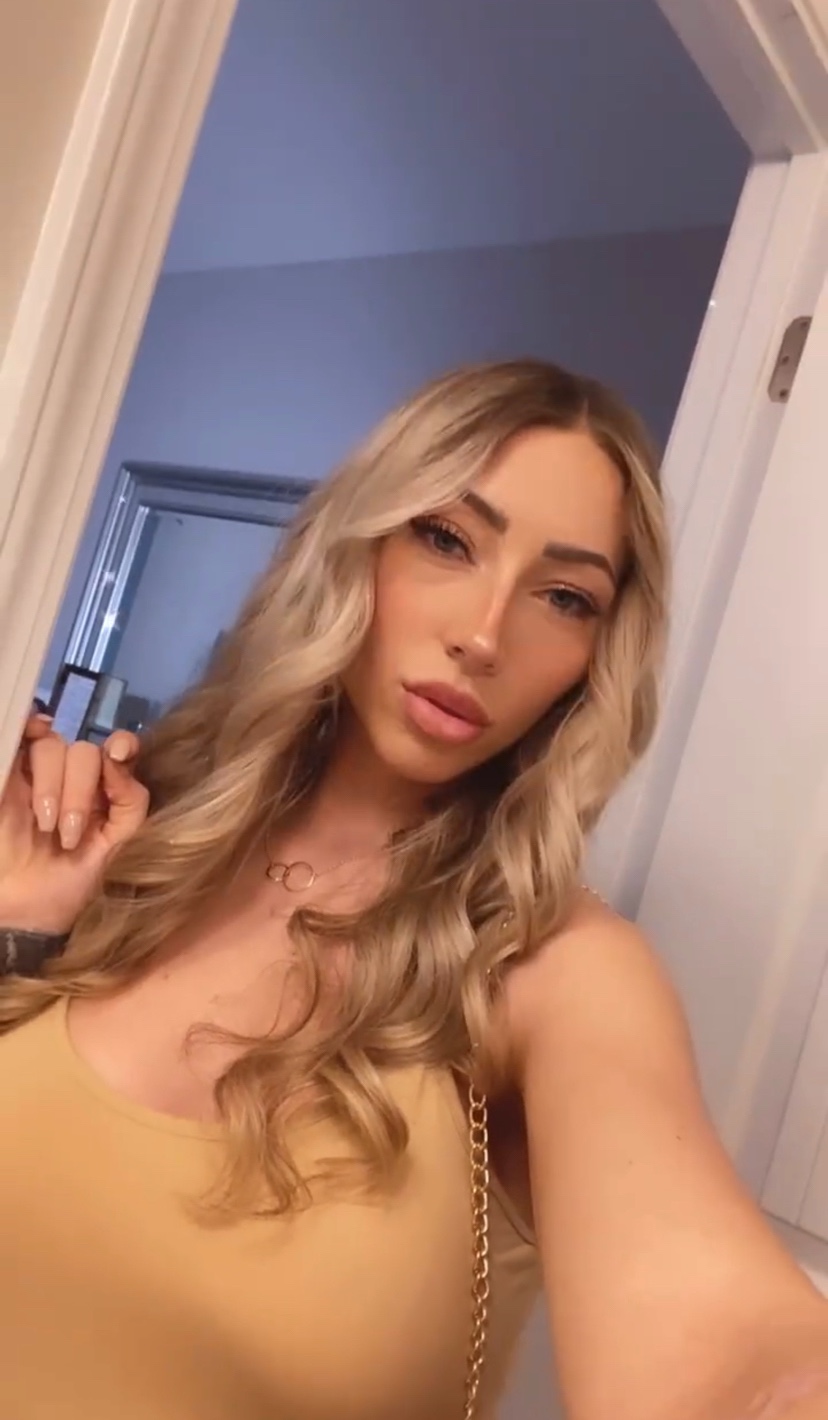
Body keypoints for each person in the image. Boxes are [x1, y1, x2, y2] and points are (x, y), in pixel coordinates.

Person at [0, 360, 826, 1420]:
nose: (484, 634)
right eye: (446, 539)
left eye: (564, 597)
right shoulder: (132, 829)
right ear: (358, 545)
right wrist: (24, 926)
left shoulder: (556, 972)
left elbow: (728, 1348)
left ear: (594, 659)